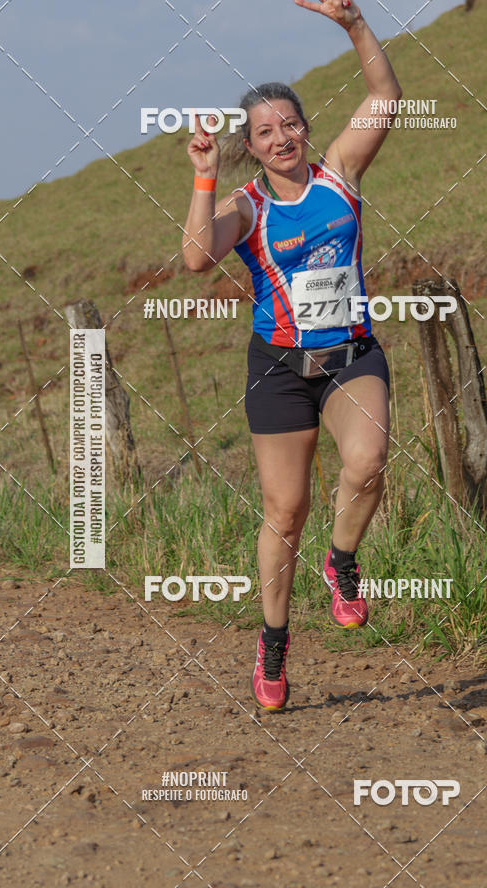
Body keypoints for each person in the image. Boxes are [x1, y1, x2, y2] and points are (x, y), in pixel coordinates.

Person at [183, 0, 401, 711]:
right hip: (279, 370)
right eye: (265, 132)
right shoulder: (247, 206)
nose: (281, 138)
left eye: (290, 124)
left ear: (307, 128)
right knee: (286, 510)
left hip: (350, 355)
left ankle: (341, 563)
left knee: (367, 462)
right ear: (250, 144)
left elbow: (385, 96)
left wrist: (353, 24)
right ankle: (273, 645)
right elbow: (193, 258)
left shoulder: (340, 171)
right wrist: (204, 176)